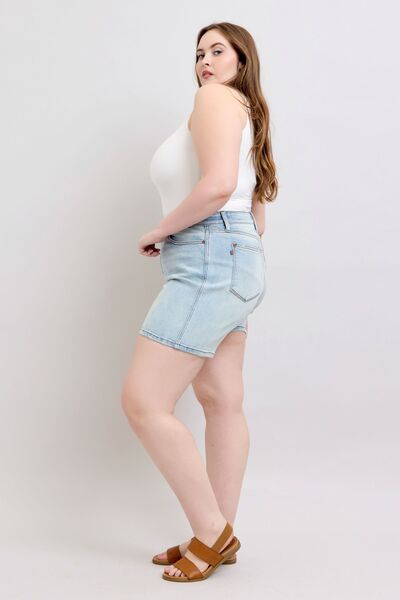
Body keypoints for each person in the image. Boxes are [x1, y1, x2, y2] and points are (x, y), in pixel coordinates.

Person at [121, 21, 278, 582]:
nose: (204, 62)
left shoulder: (213, 100)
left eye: (217, 51)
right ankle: (218, 534)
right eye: (198, 54)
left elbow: (216, 186)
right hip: (236, 259)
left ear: (241, 60)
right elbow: (255, 214)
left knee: (143, 402)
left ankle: (211, 533)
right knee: (220, 400)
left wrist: (159, 231)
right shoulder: (249, 112)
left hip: (208, 256)